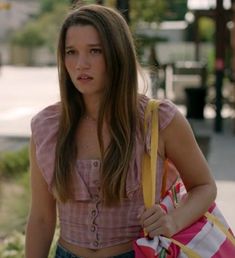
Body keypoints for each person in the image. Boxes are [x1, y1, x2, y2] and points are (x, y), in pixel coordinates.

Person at [25, 4, 217, 258]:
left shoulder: (158, 119)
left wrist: (173, 221)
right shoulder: (47, 127)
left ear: (117, 54)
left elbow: (204, 186)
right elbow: (41, 217)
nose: (80, 64)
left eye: (95, 51)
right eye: (71, 52)